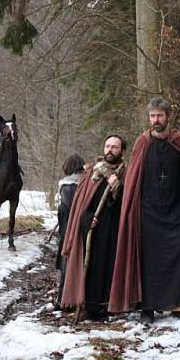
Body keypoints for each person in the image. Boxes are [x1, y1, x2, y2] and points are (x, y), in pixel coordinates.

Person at [110, 98, 180, 324]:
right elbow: (132, 179)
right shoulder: (142, 143)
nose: (156, 120)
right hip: (148, 213)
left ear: (168, 117)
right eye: (152, 116)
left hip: (177, 212)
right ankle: (148, 308)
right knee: (149, 261)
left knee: (179, 254)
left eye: (160, 116)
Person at [61, 136, 127, 319]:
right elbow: (80, 203)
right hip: (92, 229)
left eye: (115, 147)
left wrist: (117, 189)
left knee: (111, 265)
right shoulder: (92, 172)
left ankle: (110, 305)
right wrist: (86, 218)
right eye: (107, 146)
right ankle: (87, 305)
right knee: (91, 266)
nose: (110, 150)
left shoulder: (125, 174)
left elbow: (128, 206)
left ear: (122, 151)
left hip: (115, 229)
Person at [55, 153, 86, 307]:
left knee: (67, 264)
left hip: (69, 231)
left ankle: (64, 299)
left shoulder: (67, 187)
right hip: (83, 230)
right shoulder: (87, 183)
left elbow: (66, 210)